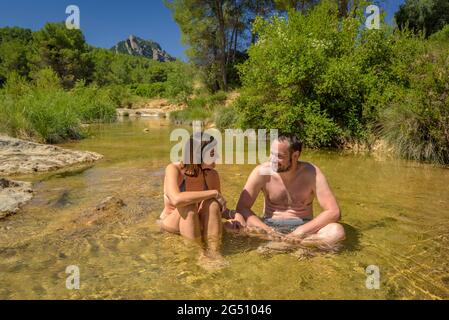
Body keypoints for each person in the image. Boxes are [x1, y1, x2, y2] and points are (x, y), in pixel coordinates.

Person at [228, 133, 345, 249]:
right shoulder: (262, 172)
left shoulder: (311, 173)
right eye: (271, 154)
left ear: (295, 155)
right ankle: (297, 246)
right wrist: (267, 230)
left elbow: (334, 211)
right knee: (231, 225)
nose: (272, 160)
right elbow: (242, 207)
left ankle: (278, 246)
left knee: (336, 231)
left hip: (304, 228)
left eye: (279, 156)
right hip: (269, 225)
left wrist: (300, 232)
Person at [159, 132, 228, 267]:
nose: (218, 157)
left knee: (213, 204)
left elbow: (219, 209)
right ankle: (200, 255)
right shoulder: (174, 170)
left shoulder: (211, 174)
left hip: (198, 223)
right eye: (213, 153)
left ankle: (214, 253)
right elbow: (176, 200)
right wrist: (213, 192)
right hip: (172, 222)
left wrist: (237, 218)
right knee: (188, 206)